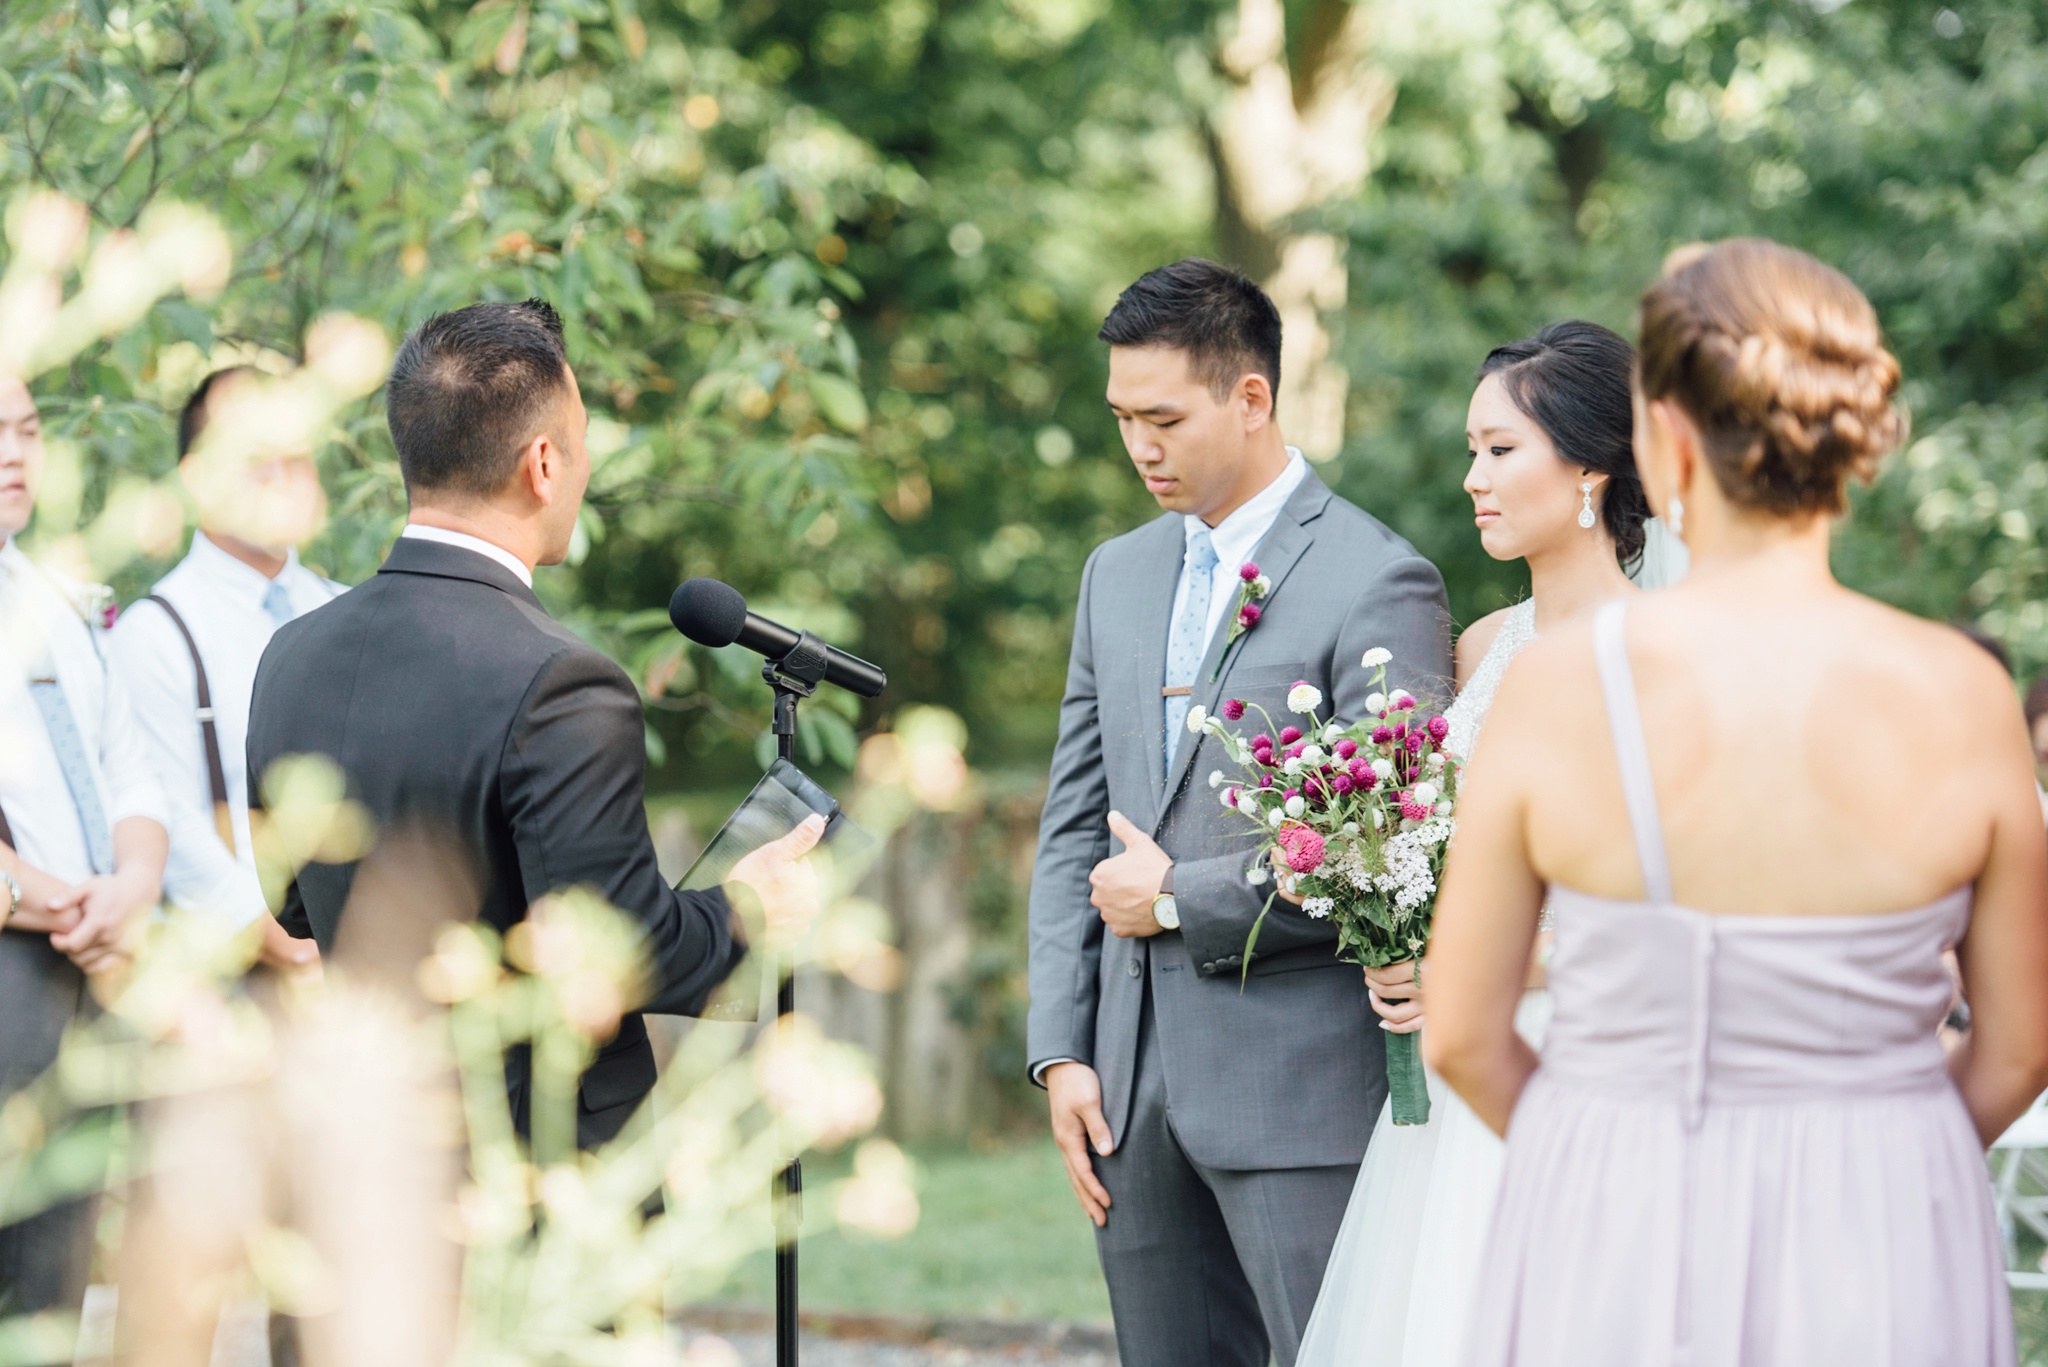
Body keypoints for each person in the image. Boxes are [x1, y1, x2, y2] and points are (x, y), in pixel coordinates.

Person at [1426, 238, 2048, 1366]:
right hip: (1890, 1247)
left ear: (1661, 438)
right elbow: (2014, 1049)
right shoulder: (1964, 691)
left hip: (1612, 1237)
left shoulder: (1557, 684)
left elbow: (1462, 1033)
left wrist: (1605, 1159)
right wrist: (1882, 1163)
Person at [245, 299, 823, 1149]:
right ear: (543, 462)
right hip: (533, 1165)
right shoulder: (565, 683)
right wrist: (749, 908)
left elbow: (295, 909)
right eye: (581, 440)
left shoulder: (289, 656)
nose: (586, 467)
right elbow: (615, 951)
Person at [1025, 259, 1452, 1367]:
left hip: (1296, 1092)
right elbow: (1074, 821)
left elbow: (1396, 854)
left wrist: (1174, 899)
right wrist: (1060, 1052)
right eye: (1122, 418)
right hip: (1123, 1088)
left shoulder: (1377, 577)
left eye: (1162, 417)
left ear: (1250, 397)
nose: (1139, 447)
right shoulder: (1111, 575)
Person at [1295, 321, 1648, 1367]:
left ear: (1588, 462)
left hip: (1576, 1055)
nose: (1470, 479)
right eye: (1469, 450)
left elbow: (1657, 896)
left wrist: (1477, 963)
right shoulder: (1481, 646)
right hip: (1447, 1083)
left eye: (1498, 450)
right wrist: (1397, 933)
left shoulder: (1651, 655)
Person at [0, 373, 171, 1324]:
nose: (15, 452)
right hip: (15, 953)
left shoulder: (59, 593)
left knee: (55, 1281)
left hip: (91, 962)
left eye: (26, 430)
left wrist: (133, 885)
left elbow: (131, 772)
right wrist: (54, 900)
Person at [108, 368, 337, 970]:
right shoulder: (156, 632)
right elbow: (173, 826)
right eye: (256, 458)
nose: (282, 478)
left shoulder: (347, 608)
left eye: (297, 457)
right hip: (237, 974)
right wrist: (292, 950)